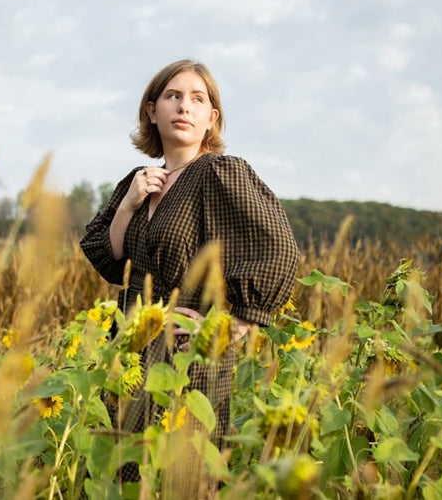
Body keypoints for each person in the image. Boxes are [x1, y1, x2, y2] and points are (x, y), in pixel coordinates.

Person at [79, 59, 299, 493]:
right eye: (173, 96)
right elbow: (110, 259)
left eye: (198, 99)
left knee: (183, 475)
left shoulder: (219, 172)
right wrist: (130, 204)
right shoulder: (138, 180)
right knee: (118, 471)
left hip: (188, 357)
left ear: (211, 118)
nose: (185, 107)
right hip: (129, 348)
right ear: (151, 110)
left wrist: (236, 324)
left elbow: (279, 249)